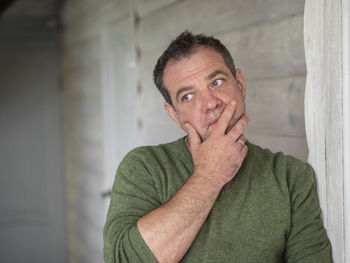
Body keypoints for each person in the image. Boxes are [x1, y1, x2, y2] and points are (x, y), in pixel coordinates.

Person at [103, 31, 332, 263]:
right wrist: (209, 176)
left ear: (240, 84)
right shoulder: (145, 167)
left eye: (216, 82)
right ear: (174, 114)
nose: (211, 102)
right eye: (188, 97)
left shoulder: (290, 176)